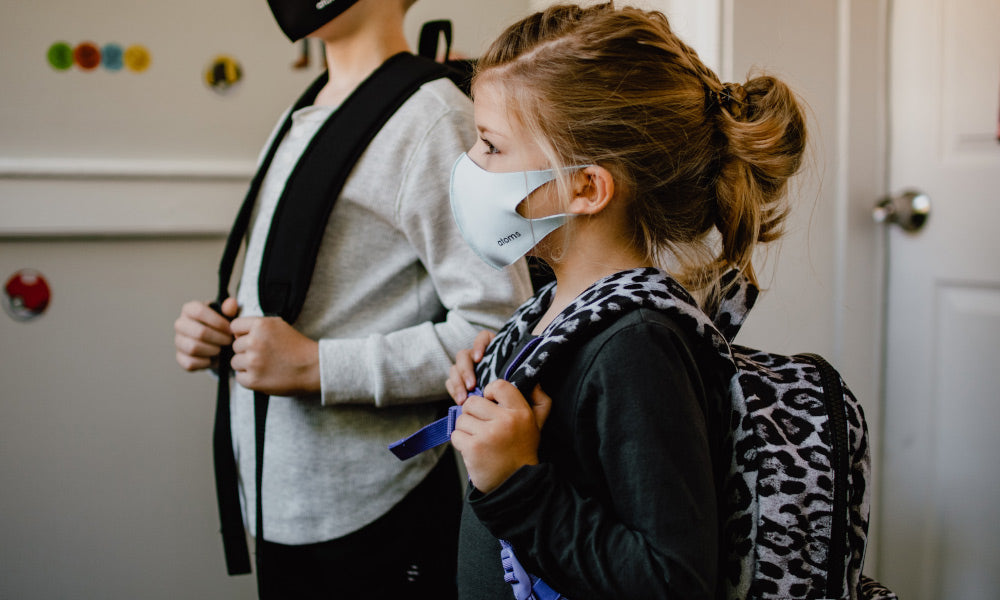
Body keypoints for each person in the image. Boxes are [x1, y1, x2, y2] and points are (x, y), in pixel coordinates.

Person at [442, 3, 807, 599]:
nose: (471, 165)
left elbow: (671, 581)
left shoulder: (636, 346)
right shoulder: (558, 314)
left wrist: (517, 482)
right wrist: (495, 387)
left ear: (586, 187)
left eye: (491, 146)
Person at [173, 0, 533, 598]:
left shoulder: (432, 119)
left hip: (374, 507)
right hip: (277, 498)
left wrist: (318, 366)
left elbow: (497, 326)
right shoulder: (305, 110)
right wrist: (222, 333)